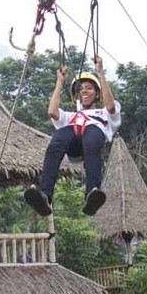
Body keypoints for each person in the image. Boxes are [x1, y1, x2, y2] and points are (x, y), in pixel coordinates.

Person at [24, 55, 121, 216]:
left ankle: (92, 191)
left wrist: (101, 73)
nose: (84, 90)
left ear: (97, 94)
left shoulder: (104, 113)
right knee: (57, 142)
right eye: (81, 89)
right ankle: (45, 194)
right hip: (73, 142)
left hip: (92, 136)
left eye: (89, 88)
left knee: (90, 139)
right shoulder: (70, 117)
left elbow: (110, 106)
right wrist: (60, 82)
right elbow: (52, 112)